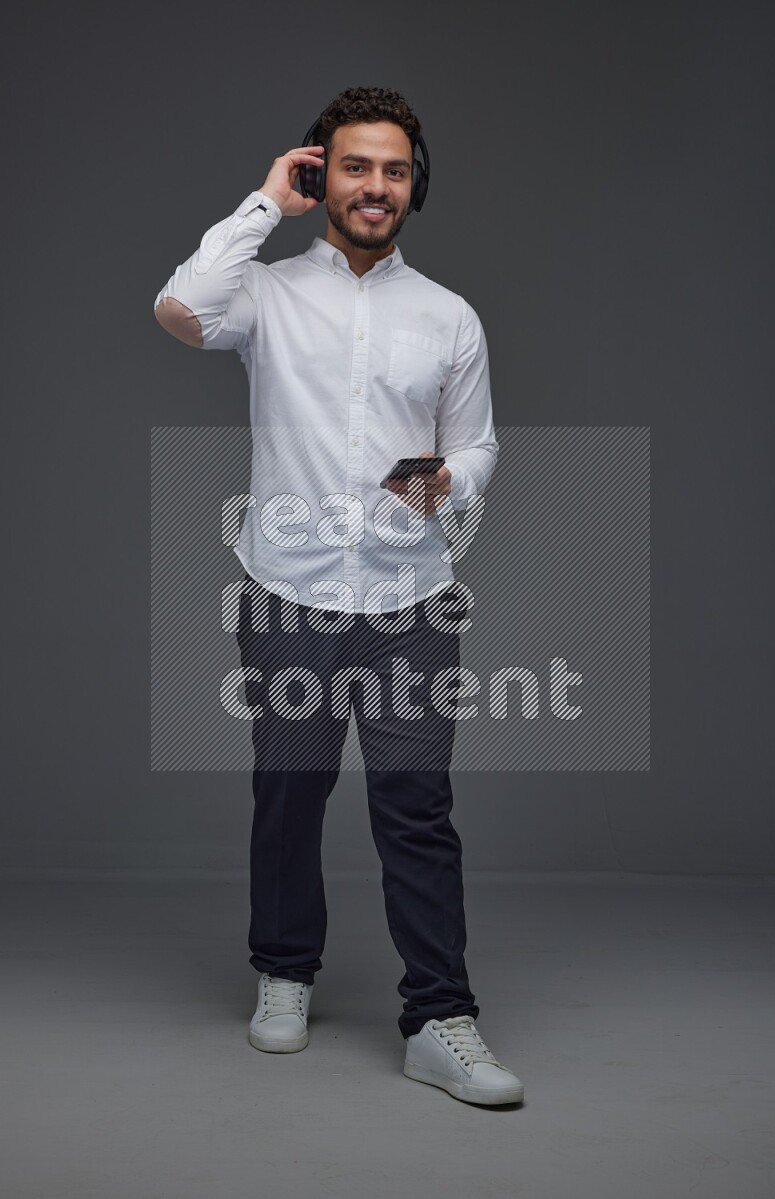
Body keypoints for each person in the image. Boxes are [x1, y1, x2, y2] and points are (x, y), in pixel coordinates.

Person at [153, 86, 523, 1106]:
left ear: (414, 184)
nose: (375, 186)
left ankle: (438, 1017)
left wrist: (457, 480)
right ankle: (284, 969)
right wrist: (265, 202)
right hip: (290, 595)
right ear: (322, 173)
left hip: (410, 600)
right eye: (353, 166)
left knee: (415, 805)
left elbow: (480, 437)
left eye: (393, 169)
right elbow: (179, 308)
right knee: (290, 792)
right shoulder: (266, 293)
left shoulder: (447, 314)